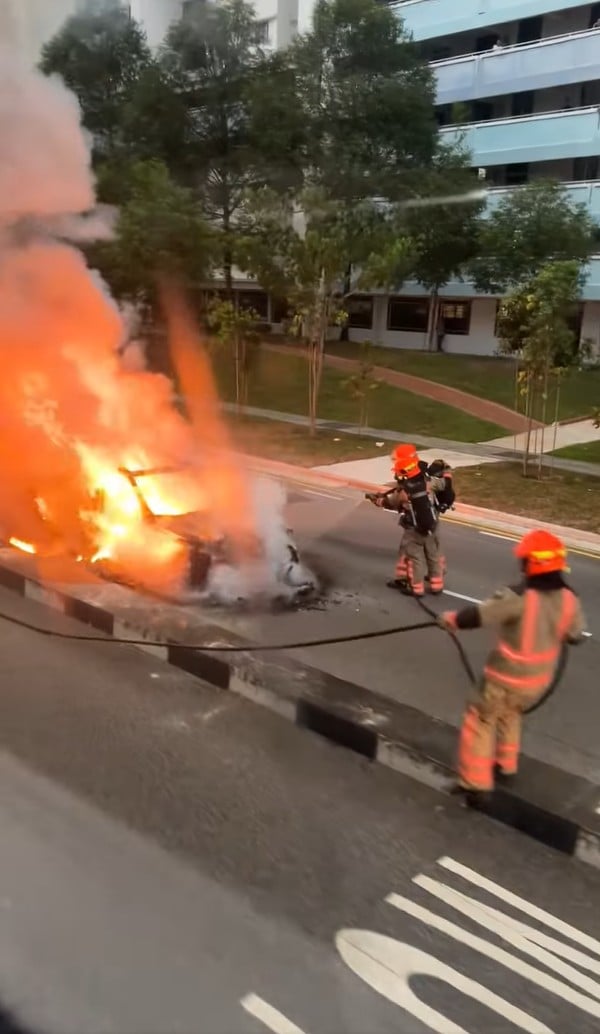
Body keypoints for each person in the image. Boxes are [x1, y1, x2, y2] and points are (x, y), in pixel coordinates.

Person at [438, 529, 588, 799]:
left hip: (504, 677)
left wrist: (451, 619)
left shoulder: (518, 596)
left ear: (528, 563)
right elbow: (575, 636)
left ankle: (475, 783)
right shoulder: (569, 599)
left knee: (481, 719)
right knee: (511, 713)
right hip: (537, 683)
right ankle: (506, 765)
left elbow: (480, 615)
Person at [367, 443, 446, 596]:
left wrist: (378, 501)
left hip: (414, 527)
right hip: (432, 522)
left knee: (411, 554)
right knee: (433, 554)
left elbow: (393, 501)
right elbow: (442, 485)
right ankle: (437, 585)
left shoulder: (407, 487)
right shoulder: (427, 477)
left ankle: (411, 585)